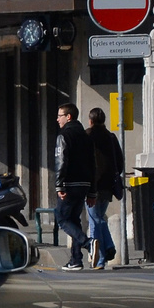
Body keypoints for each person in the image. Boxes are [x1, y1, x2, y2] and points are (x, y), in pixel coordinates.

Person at [53, 102, 94, 271]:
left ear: (68, 117)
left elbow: (61, 161)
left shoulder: (64, 136)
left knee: (62, 218)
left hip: (69, 184)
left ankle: (88, 243)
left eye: (60, 116)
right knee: (74, 220)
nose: (57, 119)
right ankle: (76, 259)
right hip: (84, 184)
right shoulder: (86, 136)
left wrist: (59, 185)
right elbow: (93, 164)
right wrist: (92, 191)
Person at [86, 107, 125, 270]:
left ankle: (102, 256)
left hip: (92, 185)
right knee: (99, 217)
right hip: (108, 186)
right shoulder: (111, 137)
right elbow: (120, 163)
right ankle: (105, 252)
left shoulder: (87, 136)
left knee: (95, 219)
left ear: (90, 120)